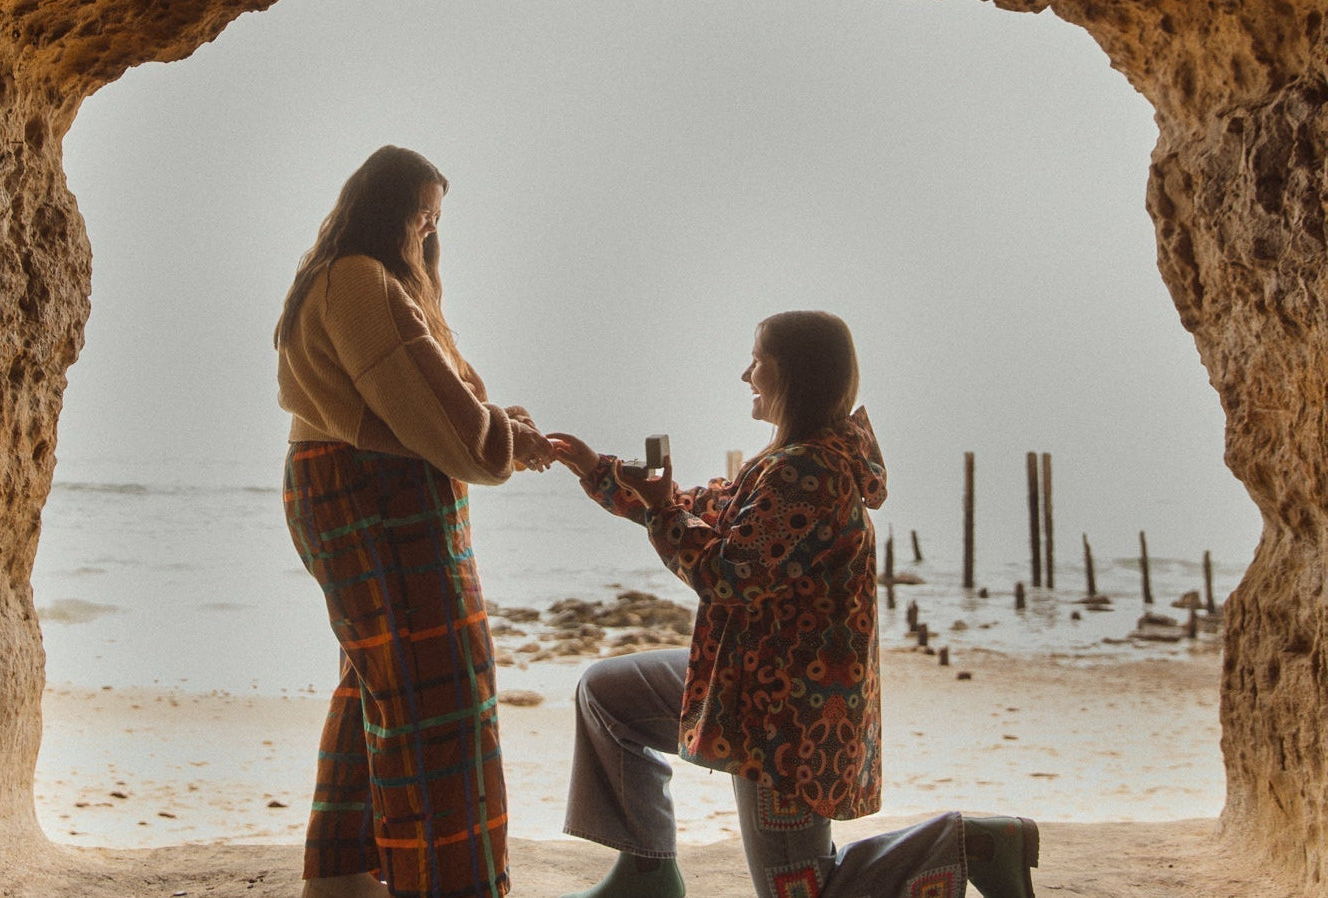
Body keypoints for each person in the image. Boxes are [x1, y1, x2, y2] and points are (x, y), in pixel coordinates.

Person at [550, 310, 1040, 898]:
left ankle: (974, 842)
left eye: (757, 359)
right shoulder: (794, 459)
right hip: (748, 681)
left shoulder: (809, 471)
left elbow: (727, 576)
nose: (745, 374)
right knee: (608, 696)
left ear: (795, 374)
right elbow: (700, 507)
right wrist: (594, 468)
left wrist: (661, 511)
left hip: (787, 719)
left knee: (797, 890)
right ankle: (647, 871)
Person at [275, 145, 553, 898]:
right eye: (421, 211)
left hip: (357, 491)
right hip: (373, 496)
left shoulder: (347, 279)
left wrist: (497, 426)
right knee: (443, 698)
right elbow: (442, 421)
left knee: (381, 683)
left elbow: (430, 403)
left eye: (436, 217)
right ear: (384, 208)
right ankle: (446, 886)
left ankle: (345, 879)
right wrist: (503, 441)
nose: (429, 227)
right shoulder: (360, 281)